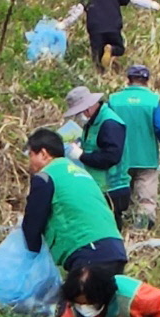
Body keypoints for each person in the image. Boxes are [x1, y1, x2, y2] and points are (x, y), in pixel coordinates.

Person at [22, 129, 127, 274]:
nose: (29, 162)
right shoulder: (82, 173)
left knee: (75, 296)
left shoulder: (46, 177)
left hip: (88, 250)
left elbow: (33, 223)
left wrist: (30, 261)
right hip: (115, 247)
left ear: (44, 153)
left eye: (31, 155)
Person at [108, 65, 160, 230]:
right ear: (147, 81)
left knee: (119, 193)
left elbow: (106, 126)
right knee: (146, 198)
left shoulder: (114, 100)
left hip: (119, 158)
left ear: (128, 79)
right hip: (146, 158)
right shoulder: (153, 100)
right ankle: (141, 231)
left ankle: (117, 226)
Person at [58, 0, 160, 70]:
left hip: (96, 30)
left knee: (97, 59)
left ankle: (102, 75)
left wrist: (63, 24)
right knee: (119, 49)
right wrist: (151, 4)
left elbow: (78, 11)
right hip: (113, 28)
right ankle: (111, 49)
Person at [63, 86, 131, 231]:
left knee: (108, 231)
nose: (79, 117)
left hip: (112, 189)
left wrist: (81, 155)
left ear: (87, 109)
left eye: (79, 113)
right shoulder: (93, 122)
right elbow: (94, 145)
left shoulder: (109, 124)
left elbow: (111, 157)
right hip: (99, 186)